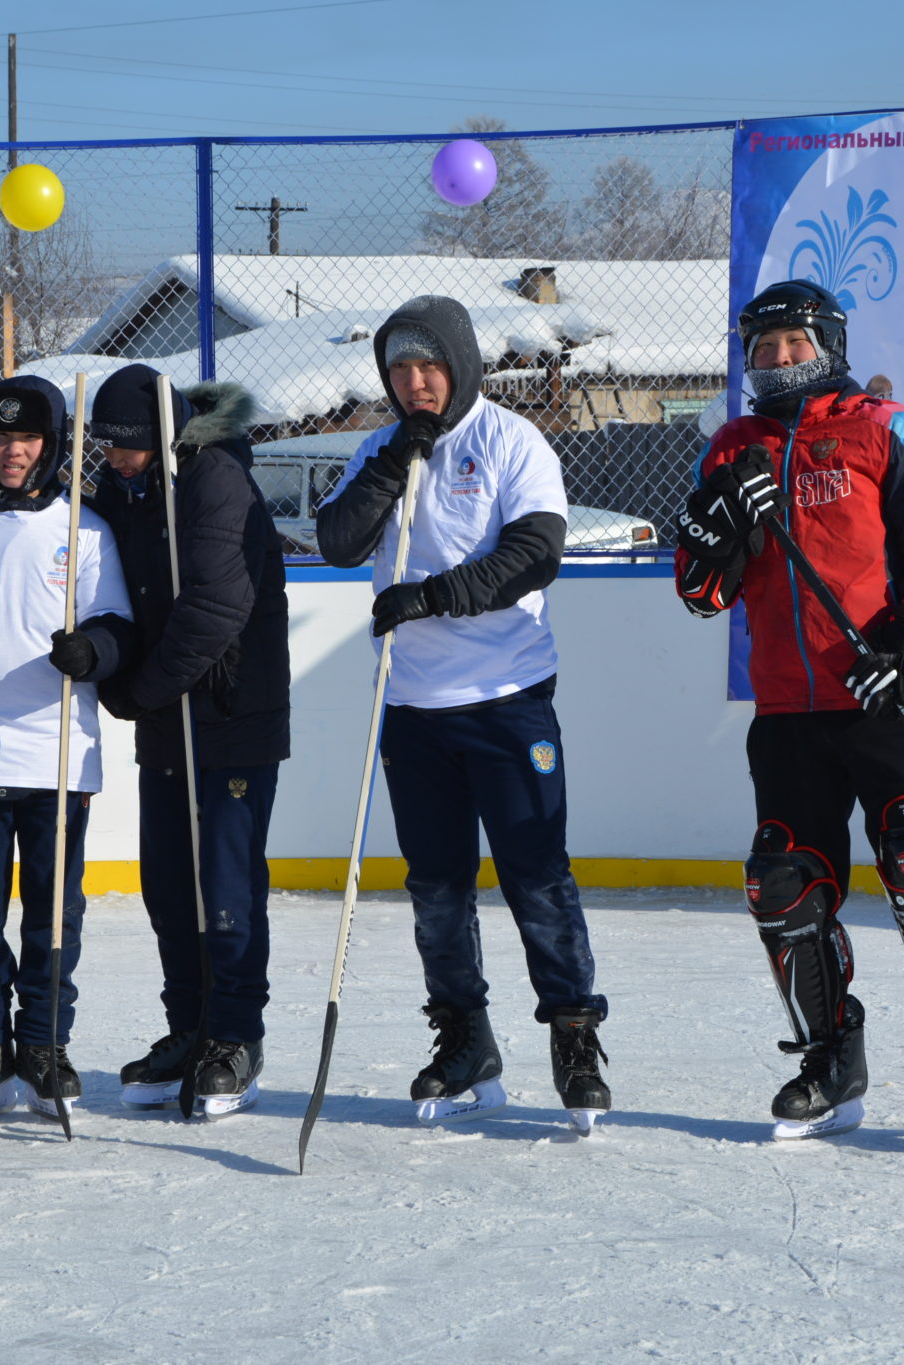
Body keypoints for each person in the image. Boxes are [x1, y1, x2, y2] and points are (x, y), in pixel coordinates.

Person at [673, 279, 904, 1144]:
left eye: (793, 343)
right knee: (783, 886)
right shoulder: (732, 449)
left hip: (886, 703)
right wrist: (717, 519)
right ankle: (830, 1060)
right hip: (788, 711)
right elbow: (702, 595)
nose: (778, 360)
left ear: (829, 343)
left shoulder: (888, 430)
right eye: (763, 348)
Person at [315, 295, 611, 1132]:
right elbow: (336, 540)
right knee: (436, 889)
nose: (416, 383)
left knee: (536, 876)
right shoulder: (382, 447)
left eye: (429, 366)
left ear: (462, 364)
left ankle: (574, 1032)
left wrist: (433, 596)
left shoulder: (510, 440)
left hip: (506, 702)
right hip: (410, 709)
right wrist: (388, 464)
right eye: (400, 370)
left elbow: (534, 553)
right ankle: (465, 1037)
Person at [0, 375, 133, 1121]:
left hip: (57, 759)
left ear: (52, 447)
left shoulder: (86, 528)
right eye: (1, 439)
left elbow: (118, 624)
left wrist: (94, 649)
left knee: (52, 917)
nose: (13, 452)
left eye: (29, 439)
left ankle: (44, 1044)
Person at [85, 364, 289, 1118]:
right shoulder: (123, 487)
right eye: (106, 447)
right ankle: (190, 1027)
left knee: (226, 888)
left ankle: (235, 1034)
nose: (116, 458)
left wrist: (136, 691)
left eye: (129, 446)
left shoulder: (214, 480)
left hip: (231, 717)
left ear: (164, 437)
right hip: (169, 720)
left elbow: (215, 606)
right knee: (168, 884)